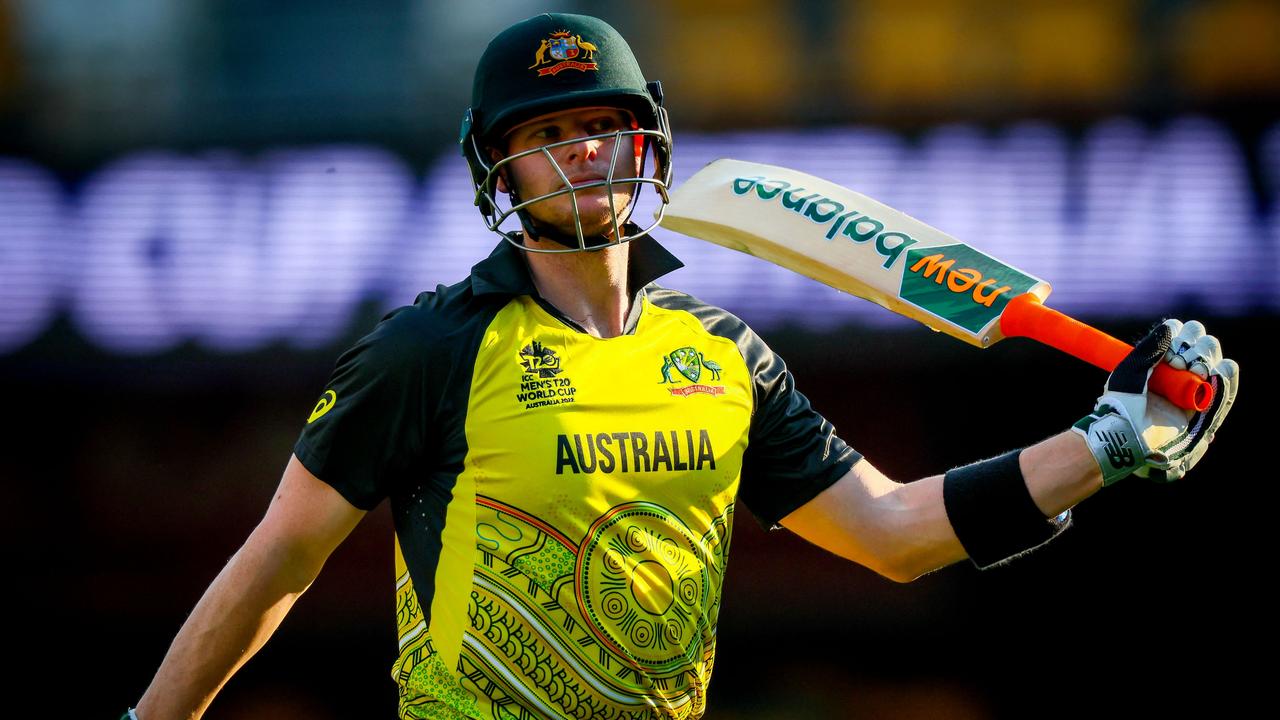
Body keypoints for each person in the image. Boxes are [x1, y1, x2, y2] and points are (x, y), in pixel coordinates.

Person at [124, 12, 1239, 720]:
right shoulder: (429, 350)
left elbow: (894, 534)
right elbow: (276, 562)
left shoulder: (719, 354)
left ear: (646, 142)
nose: (582, 152)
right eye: (544, 131)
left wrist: (1104, 444)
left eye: (603, 123)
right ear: (496, 165)